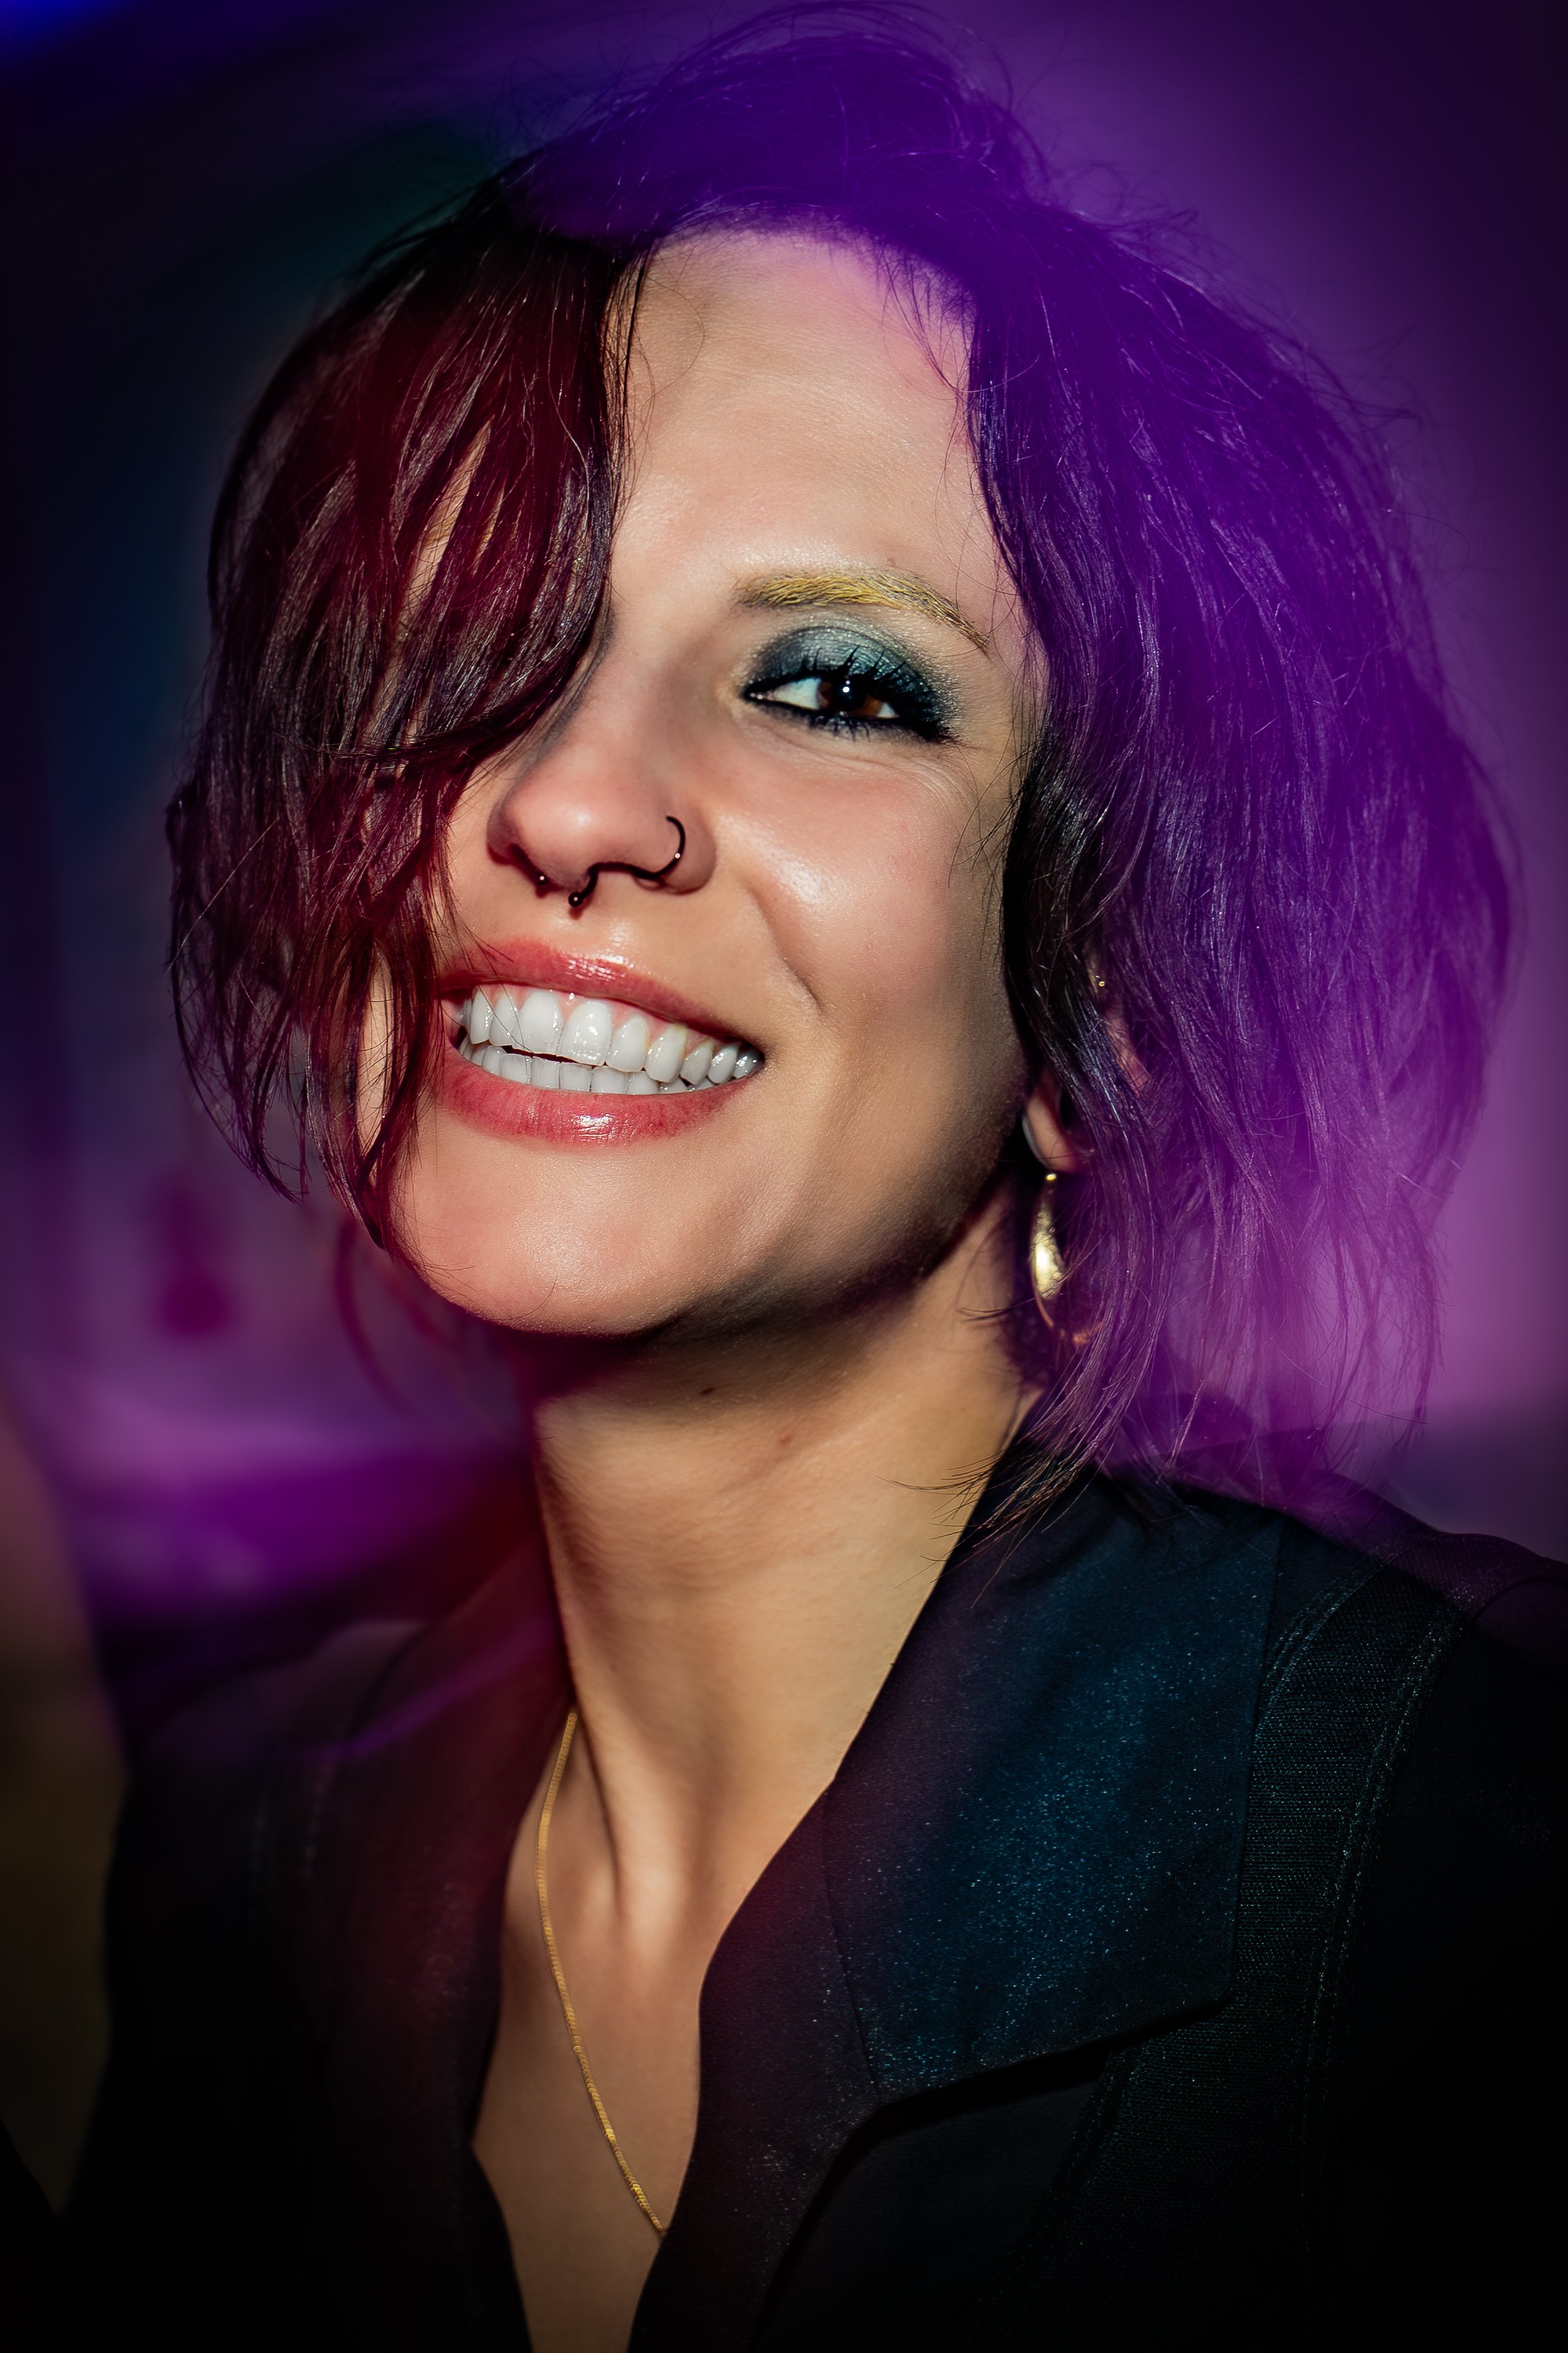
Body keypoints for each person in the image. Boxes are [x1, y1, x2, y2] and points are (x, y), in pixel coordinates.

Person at [66, 19, 1565, 2350]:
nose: (566, 796)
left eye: (838, 685)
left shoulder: (1482, 1850)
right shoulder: (247, 1863)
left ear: (1113, 1000)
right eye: (488, 640)